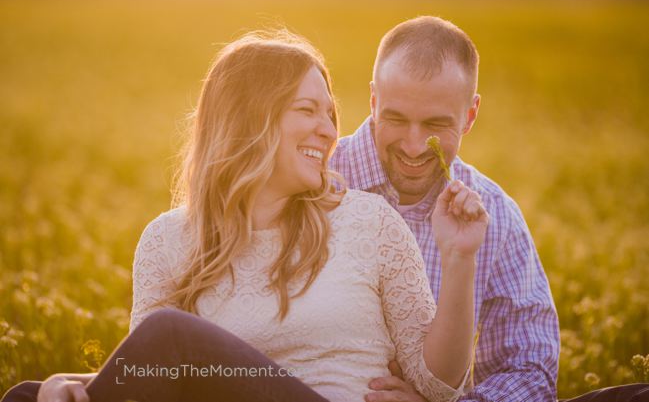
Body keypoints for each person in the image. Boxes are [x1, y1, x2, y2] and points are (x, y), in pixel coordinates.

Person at [2, 30, 490, 402]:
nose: (328, 131)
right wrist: (82, 383)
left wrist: (459, 256)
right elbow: (150, 384)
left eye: (330, 114)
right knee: (27, 395)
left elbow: (440, 384)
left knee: (168, 334)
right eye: (308, 111)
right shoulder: (166, 240)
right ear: (250, 121)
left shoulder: (368, 221)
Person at [330, 15, 649, 402]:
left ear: (470, 115)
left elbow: (529, 368)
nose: (414, 146)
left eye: (435, 124)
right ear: (373, 100)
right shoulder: (318, 178)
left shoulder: (493, 214)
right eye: (396, 118)